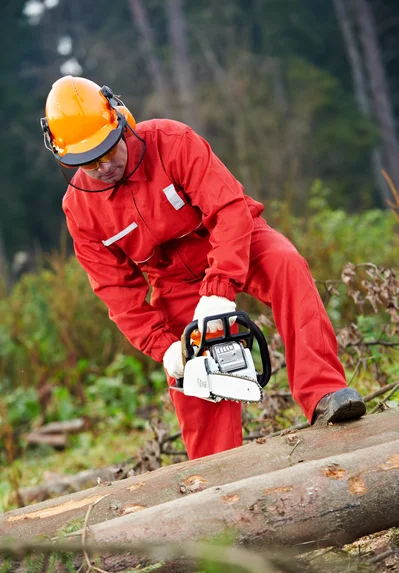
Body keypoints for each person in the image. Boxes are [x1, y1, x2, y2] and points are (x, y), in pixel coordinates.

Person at [41, 76, 365, 460]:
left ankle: (324, 393)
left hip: (233, 241)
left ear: (120, 123)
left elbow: (228, 210)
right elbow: (118, 294)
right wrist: (165, 349)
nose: (104, 165)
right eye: (89, 162)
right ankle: (217, 471)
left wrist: (220, 287)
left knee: (285, 263)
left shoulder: (172, 142)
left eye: (108, 151)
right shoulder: (81, 211)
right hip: (173, 283)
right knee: (189, 374)